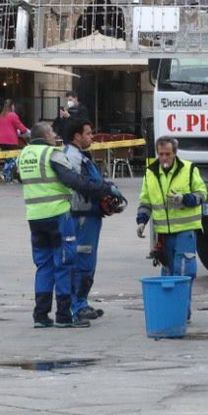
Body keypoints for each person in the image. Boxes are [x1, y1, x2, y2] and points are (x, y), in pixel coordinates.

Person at [14, 121, 117, 328]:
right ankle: (64, 315)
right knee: (64, 264)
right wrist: (104, 188)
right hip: (58, 216)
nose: (55, 135)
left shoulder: (24, 155)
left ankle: (41, 316)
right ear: (44, 135)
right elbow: (74, 181)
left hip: (35, 217)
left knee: (43, 266)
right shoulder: (52, 154)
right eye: (52, 131)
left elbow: (17, 176)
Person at [136, 136, 208, 322]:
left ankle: (183, 314)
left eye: (168, 154)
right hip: (164, 233)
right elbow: (145, 201)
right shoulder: (150, 173)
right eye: (161, 154)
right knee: (167, 273)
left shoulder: (189, 169)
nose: (164, 158)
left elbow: (202, 194)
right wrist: (141, 221)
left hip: (186, 229)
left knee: (184, 271)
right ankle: (171, 311)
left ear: (175, 153)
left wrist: (184, 198)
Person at [62, 119, 118, 322]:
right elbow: (83, 186)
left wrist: (106, 189)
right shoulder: (72, 158)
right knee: (81, 260)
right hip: (81, 215)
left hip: (90, 214)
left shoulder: (81, 156)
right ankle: (76, 306)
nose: (91, 136)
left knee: (88, 260)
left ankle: (81, 302)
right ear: (77, 136)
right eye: (88, 133)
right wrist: (106, 190)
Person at [0, 101, 31, 181]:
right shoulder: (13, 115)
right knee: (14, 159)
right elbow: (20, 126)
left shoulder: (1, 115)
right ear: (12, 106)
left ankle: (8, 178)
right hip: (11, 140)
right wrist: (27, 132)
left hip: (1, 141)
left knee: (8, 159)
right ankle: (3, 172)